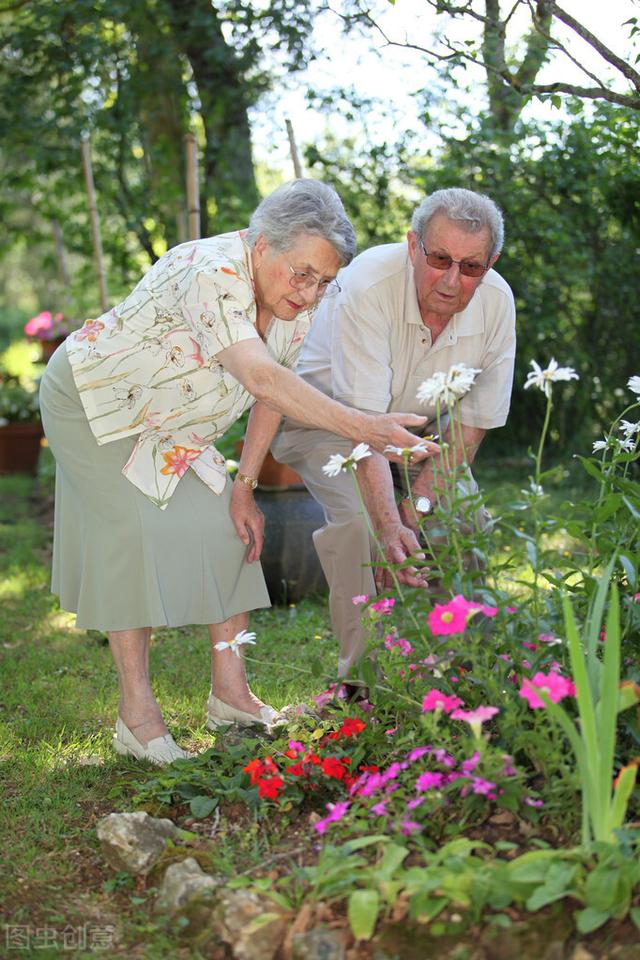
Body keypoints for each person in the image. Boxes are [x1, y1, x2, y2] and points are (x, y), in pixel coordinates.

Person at [39, 179, 435, 764]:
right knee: (130, 535)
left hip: (171, 422)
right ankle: (136, 716)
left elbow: (272, 397)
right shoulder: (210, 271)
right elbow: (263, 378)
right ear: (260, 244)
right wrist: (364, 426)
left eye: (324, 282)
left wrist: (245, 486)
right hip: (96, 402)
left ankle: (230, 695)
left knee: (233, 531)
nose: (309, 293)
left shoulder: (293, 302)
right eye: (302, 274)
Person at [271, 187, 516, 679]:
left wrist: (415, 508)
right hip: (326, 421)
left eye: (470, 267)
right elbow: (363, 429)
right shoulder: (367, 285)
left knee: (463, 520)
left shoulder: (497, 303)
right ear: (413, 246)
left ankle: (460, 674)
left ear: (490, 263)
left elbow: (468, 431)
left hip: (418, 434)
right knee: (360, 527)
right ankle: (367, 687)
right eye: (440, 259)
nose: (451, 280)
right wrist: (388, 526)